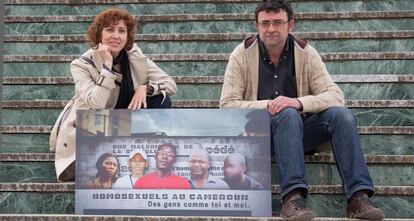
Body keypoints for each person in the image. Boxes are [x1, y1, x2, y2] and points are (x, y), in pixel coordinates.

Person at [219, 0, 384, 220]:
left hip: (299, 133)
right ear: (256, 26)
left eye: (278, 22)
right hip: (259, 137)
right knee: (285, 113)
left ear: (291, 24)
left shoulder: (306, 53)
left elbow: (336, 96)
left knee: (341, 115)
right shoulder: (241, 54)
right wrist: (269, 105)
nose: (271, 29)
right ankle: (292, 199)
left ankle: (357, 198)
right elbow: (227, 104)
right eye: (265, 23)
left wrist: (298, 102)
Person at [49, 8, 177, 182]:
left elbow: (170, 84)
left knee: (161, 100)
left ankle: (139, 154)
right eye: (110, 30)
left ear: (127, 36)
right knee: (100, 117)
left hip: (122, 121)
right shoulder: (81, 65)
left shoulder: (134, 57)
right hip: (92, 124)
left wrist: (145, 88)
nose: (116, 36)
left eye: (121, 31)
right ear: (99, 34)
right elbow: (97, 103)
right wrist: (107, 68)